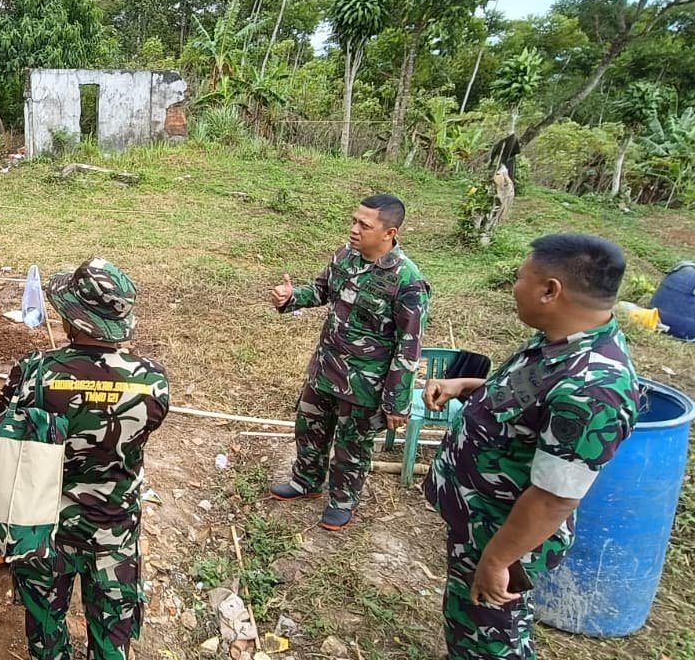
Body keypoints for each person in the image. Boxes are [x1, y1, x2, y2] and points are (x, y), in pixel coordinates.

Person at [423, 233, 640, 660]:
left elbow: (553, 499)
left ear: (549, 290)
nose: (514, 288)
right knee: (471, 618)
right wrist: (467, 386)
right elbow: (524, 401)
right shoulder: (558, 341)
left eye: (520, 278)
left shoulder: (594, 391)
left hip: (504, 535)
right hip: (479, 519)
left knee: (492, 637)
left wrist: (498, 560)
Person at [0, 258, 170, 660]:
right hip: (114, 532)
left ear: (73, 319)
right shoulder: (152, 382)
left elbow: (2, 428)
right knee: (112, 635)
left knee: (45, 628)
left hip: (44, 529)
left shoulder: (34, 372)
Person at [268, 194, 431, 530]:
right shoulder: (345, 255)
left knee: (351, 446)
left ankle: (342, 501)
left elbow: (409, 346)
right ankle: (306, 482)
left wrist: (396, 402)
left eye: (364, 225)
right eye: (354, 221)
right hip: (325, 369)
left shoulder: (406, 280)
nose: (354, 229)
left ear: (390, 232)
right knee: (309, 428)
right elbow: (321, 290)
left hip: (364, 385)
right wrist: (290, 297)